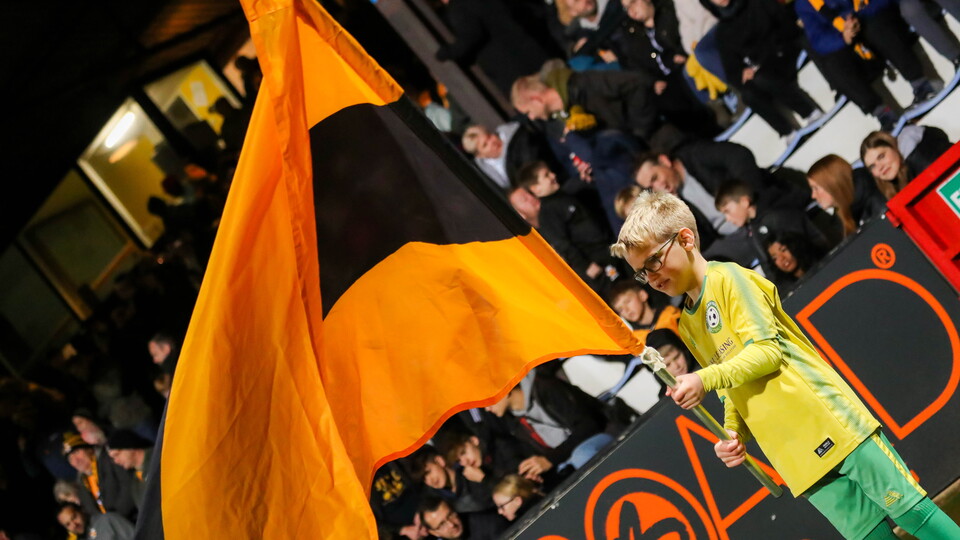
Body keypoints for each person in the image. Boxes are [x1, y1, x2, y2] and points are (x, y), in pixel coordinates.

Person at [609, 190, 960, 540]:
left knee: (913, 513)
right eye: (641, 273)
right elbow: (730, 385)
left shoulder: (730, 279)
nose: (651, 278)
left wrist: (703, 378)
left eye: (653, 262)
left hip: (831, 423)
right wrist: (732, 431)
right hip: (791, 453)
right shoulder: (686, 323)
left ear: (685, 238)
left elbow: (765, 352)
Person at [702, 0, 822, 140]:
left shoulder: (758, 3)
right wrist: (743, 73)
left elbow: (786, 27)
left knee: (761, 78)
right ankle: (787, 133)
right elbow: (731, 69)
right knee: (748, 94)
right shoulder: (722, 32)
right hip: (760, 69)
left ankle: (810, 112)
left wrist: (762, 61)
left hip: (783, 52)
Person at [484, 368, 612, 478]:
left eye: (488, 401)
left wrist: (550, 459)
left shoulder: (545, 388)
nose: (487, 409)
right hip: (566, 460)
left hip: (602, 434)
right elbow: (545, 457)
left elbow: (588, 425)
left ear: (505, 390)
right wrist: (532, 473)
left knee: (582, 456)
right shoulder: (515, 423)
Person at [435, 0, 551, 97]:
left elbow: (471, 35)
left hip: (511, 66)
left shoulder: (458, 7)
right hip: (528, 49)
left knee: (538, 96)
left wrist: (446, 53)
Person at [859, 126, 954, 200]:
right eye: (872, 166)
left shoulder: (922, 158)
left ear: (894, 147)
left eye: (881, 156)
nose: (880, 167)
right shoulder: (889, 190)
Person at [807, 154, 886, 239]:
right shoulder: (840, 219)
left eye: (816, 188)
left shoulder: (875, 201)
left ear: (833, 184)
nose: (813, 195)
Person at [62, 432, 137, 522]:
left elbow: (129, 484)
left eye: (77, 452)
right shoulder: (81, 485)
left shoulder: (109, 460)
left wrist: (116, 518)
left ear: (89, 449)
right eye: (70, 459)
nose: (75, 460)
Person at [606, 278, 680, 342]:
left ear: (642, 295)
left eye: (628, 301)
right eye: (620, 309)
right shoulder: (636, 340)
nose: (626, 310)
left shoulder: (672, 315)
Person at [418, 495, 505, 540]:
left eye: (450, 515)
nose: (451, 524)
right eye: (442, 524)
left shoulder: (488, 523)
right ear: (434, 533)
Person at [105, 430, 153, 509]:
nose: (116, 461)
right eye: (113, 458)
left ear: (130, 448)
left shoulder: (158, 458)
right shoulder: (135, 481)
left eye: (117, 454)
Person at [645, 328, 698, 397]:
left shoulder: (707, 367)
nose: (676, 366)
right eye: (668, 364)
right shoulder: (666, 398)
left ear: (684, 350)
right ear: (659, 371)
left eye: (677, 357)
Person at [56, 503, 134, 540]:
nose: (74, 525)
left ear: (81, 511)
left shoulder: (107, 520)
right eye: (68, 524)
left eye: (74, 517)